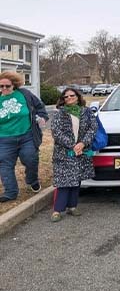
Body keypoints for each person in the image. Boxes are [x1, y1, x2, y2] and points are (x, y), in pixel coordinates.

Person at [50, 88, 97, 222]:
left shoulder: (86, 112)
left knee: (76, 179)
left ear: (77, 96)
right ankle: (57, 210)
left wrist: (82, 143)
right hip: (64, 152)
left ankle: (72, 206)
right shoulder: (59, 113)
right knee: (63, 181)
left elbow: (93, 128)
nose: (69, 98)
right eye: (66, 97)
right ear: (63, 99)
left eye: (72, 95)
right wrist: (73, 145)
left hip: (82, 151)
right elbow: (56, 132)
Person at [0, 71, 48, 202]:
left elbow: (39, 107)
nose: (4, 89)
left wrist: (43, 117)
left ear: (14, 85)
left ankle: (32, 180)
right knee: (4, 165)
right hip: (4, 139)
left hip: (27, 136)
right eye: (1, 86)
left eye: (7, 86)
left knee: (31, 159)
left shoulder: (25, 94)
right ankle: (10, 192)